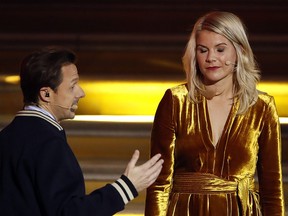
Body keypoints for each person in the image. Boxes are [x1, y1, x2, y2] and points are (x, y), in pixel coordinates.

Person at [145, 11, 285, 216]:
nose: (211, 58)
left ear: (239, 51)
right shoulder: (176, 101)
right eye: (203, 50)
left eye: (220, 49)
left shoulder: (262, 107)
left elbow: (272, 188)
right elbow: (159, 184)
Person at [0, 47, 164, 216]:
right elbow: (69, 212)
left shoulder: (6, 137)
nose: (81, 93)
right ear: (46, 94)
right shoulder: (48, 143)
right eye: (72, 86)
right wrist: (127, 187)